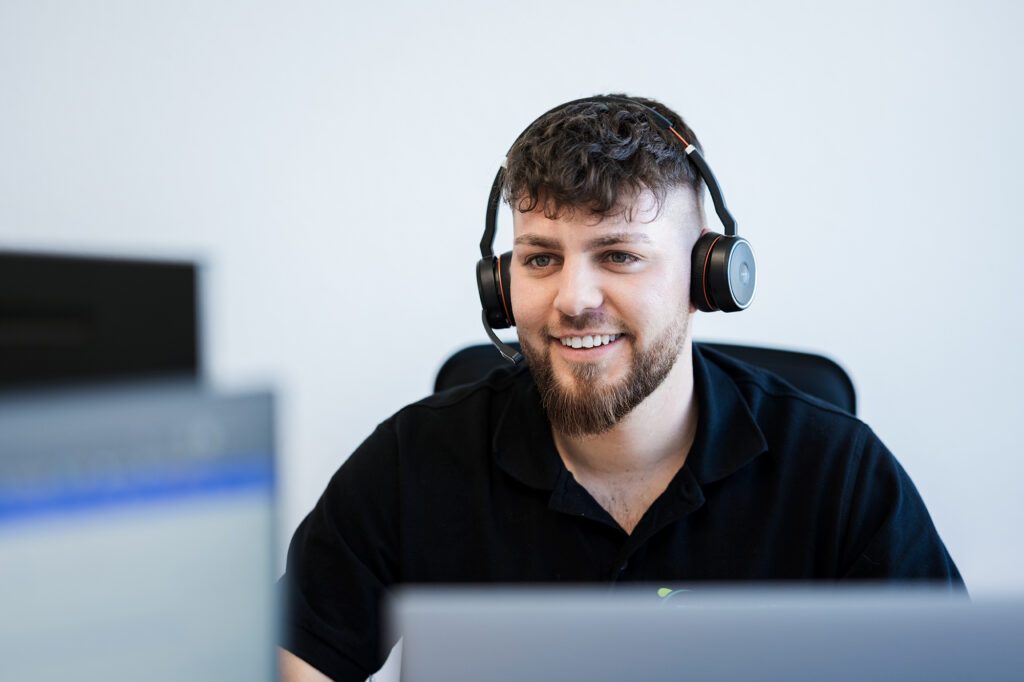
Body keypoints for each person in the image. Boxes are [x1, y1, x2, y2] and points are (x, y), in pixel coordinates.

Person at [278, 95, 963, 681]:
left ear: (708, 280)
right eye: (540, 258)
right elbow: (292, 660)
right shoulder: (413, 459)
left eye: (620, 255)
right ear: (500, 285)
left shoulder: (836, 469)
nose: (573, 300)